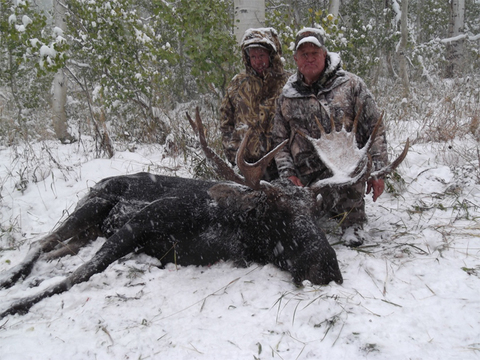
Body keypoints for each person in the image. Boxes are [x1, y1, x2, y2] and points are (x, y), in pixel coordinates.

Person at [272, 28, 389, 246]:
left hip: (345, 170)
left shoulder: (351, 85)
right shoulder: (287, 95)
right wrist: (287, 174)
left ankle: (352, 222)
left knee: (351, 171)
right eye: (303, 54)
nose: (309, 58)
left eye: (314, 53)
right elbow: (279, 141)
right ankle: (320, 211)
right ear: (296, 59)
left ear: (325, 54)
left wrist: (379, 172)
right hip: (305, 176)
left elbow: (375, 128)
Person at [220, 28, 290, 180]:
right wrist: (233, 156)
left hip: (280, 168)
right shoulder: (238, 83)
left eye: (261, 55)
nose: (258, 61)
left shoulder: (288, 84)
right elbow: (226, 123)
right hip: (245, 166)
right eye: (253, 56)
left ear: (271, 56)